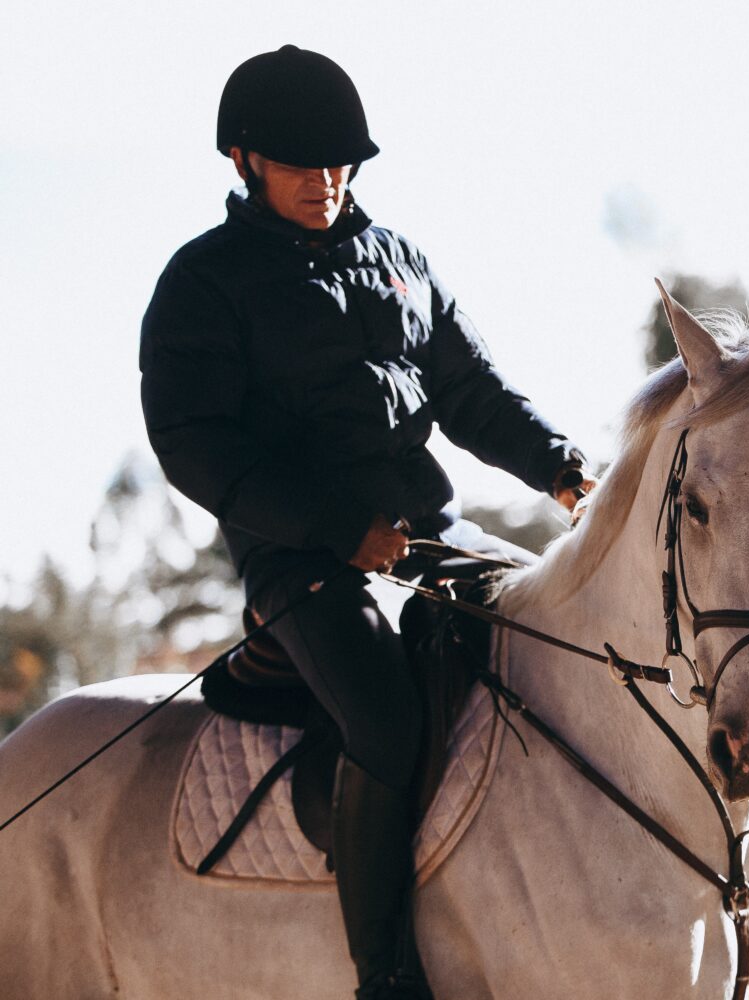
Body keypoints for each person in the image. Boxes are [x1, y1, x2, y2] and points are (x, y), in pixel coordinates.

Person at [139, 45, 594, 1000]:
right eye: (305, 165)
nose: (328, 181)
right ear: (243, 162)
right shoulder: (202, 284)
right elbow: (194, 445)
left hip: (434, 535)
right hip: (300, 557)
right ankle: (383, 971)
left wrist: (558, 465)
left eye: (342, 163)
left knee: (560, 634)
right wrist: (339, 527)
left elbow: (470, 392)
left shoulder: (400, 260)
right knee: (385, 722)